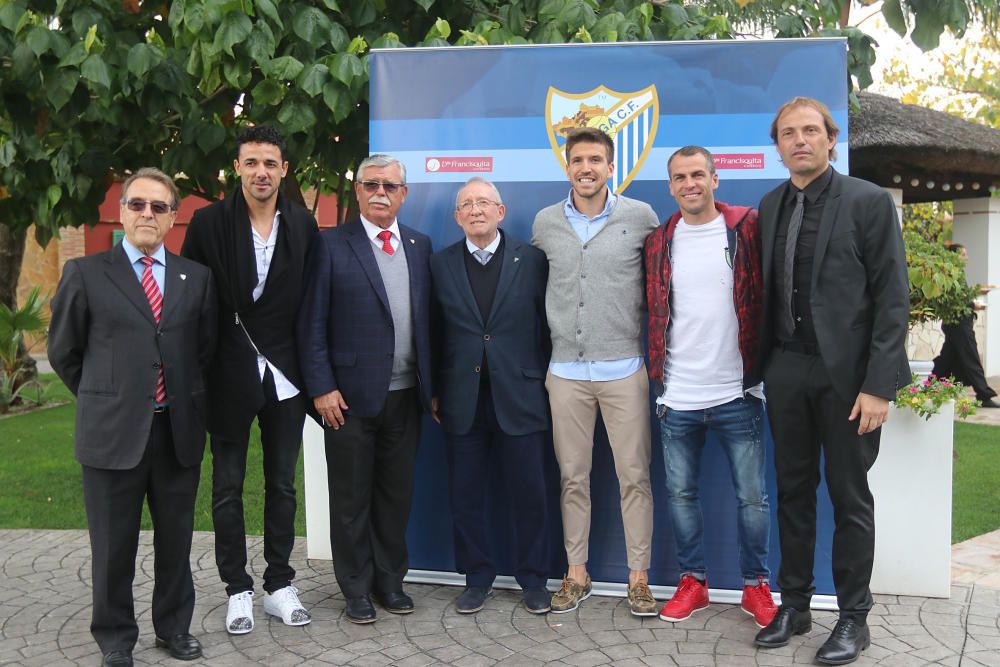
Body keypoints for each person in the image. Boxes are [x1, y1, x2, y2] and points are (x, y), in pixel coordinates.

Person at [753, 97, 910, 665]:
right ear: (778, 146)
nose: (800, 140)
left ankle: (853, 618)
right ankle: (793, 605)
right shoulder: (770, 205)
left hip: (849, 381)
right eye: (789, 133)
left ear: (830, 140)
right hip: (788, 371)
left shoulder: (866, 202)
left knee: (849, 497)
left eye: (811, 131)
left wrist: (879, 385)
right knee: (792, 492)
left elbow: (893, 299)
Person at [49, 168, 216, 667]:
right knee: (113, 546)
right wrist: (107, 396)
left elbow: (203, 353)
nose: (147, 214)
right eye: (138, 204)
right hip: (112, 434)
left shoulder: (196, 279)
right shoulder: (86, 273)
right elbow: (64, 352)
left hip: (176, 433)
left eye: (159, 207)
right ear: (123, 211)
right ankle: (115, 639)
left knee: (176, 543)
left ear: (172, 218)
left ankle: (173, 628)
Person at [181, 126, 318, 634]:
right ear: (237, 168)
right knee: (228, 486)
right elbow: (194, 304)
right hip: (228, 373)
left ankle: (279, 584)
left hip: (285, 375)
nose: (262, 172)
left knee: (282, 485)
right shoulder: (209, 223)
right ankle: (237, 588)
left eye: (271, 163)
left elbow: (310, 306)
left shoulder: (303, 226)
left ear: (284, 170)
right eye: (252, 162)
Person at [297, 154, 433, 624]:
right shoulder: (330, 244)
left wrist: (430, 387)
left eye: (390, 186)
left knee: (395, 498)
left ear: (403, 194)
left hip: (405, 397)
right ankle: (354, 589)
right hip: (347, 401)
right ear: (357, 191)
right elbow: (310, 322)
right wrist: (321, 388)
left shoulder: (419, 244)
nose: (380, 193)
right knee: (351, 500)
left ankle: (389, 582)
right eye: (371, 184)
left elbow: (426, 324)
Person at [644, 146, 776, 628]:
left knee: (753, 498)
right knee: (680, 496)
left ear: (715, 179)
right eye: (679, 177)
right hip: (677, 395)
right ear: (671, 185)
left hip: (736, 392)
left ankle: (756, 585)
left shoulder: (746, 229)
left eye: (698, 174)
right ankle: (693, 583)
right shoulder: (659, 240)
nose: (689, 183)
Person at [531, 127, 660, 616]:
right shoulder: (545, 223)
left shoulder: (640, 217)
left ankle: (639, 579)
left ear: (611, 167)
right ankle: (576, 574)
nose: (586, 167)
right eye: (578, 159)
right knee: (572, 477)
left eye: (596, 160)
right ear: (568, 167)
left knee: (634, 476)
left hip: (624, 369)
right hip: (564, 372)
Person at [430, 177, 552, 615]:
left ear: (502, 212)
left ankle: (534, 579)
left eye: (485, 202)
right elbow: (433, 334)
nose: (477, 210)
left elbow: (547, 327)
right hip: (462, 401)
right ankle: (476, 577)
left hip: (521, 395)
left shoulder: (533, 260)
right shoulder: (439, 265)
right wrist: (434, 391)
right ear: (457, 216)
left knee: (530, 494)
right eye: (467, 204)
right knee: (466, 494)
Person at [932, 244, 999, 408]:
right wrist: (973, 305)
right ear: (954, 257)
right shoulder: (950, 274)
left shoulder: (957, 273)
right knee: (971, 358)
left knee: (946, 360)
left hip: (957, 324)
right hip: (958, 325)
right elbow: (954, 300)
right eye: (963, 254)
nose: (966, 257)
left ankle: (925, 384)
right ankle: (984, 395)